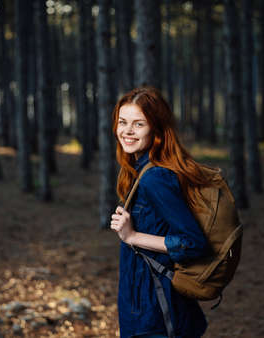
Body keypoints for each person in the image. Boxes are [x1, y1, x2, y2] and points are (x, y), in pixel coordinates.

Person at [110, 87, 217, 338]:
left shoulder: (155, 177)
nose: (127, 131)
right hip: (144, 302)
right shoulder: (141, 169)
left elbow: (193, 243)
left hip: (157, 308)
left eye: (139, 124)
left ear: (156, 129)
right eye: (123, 122)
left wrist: (132, 236)